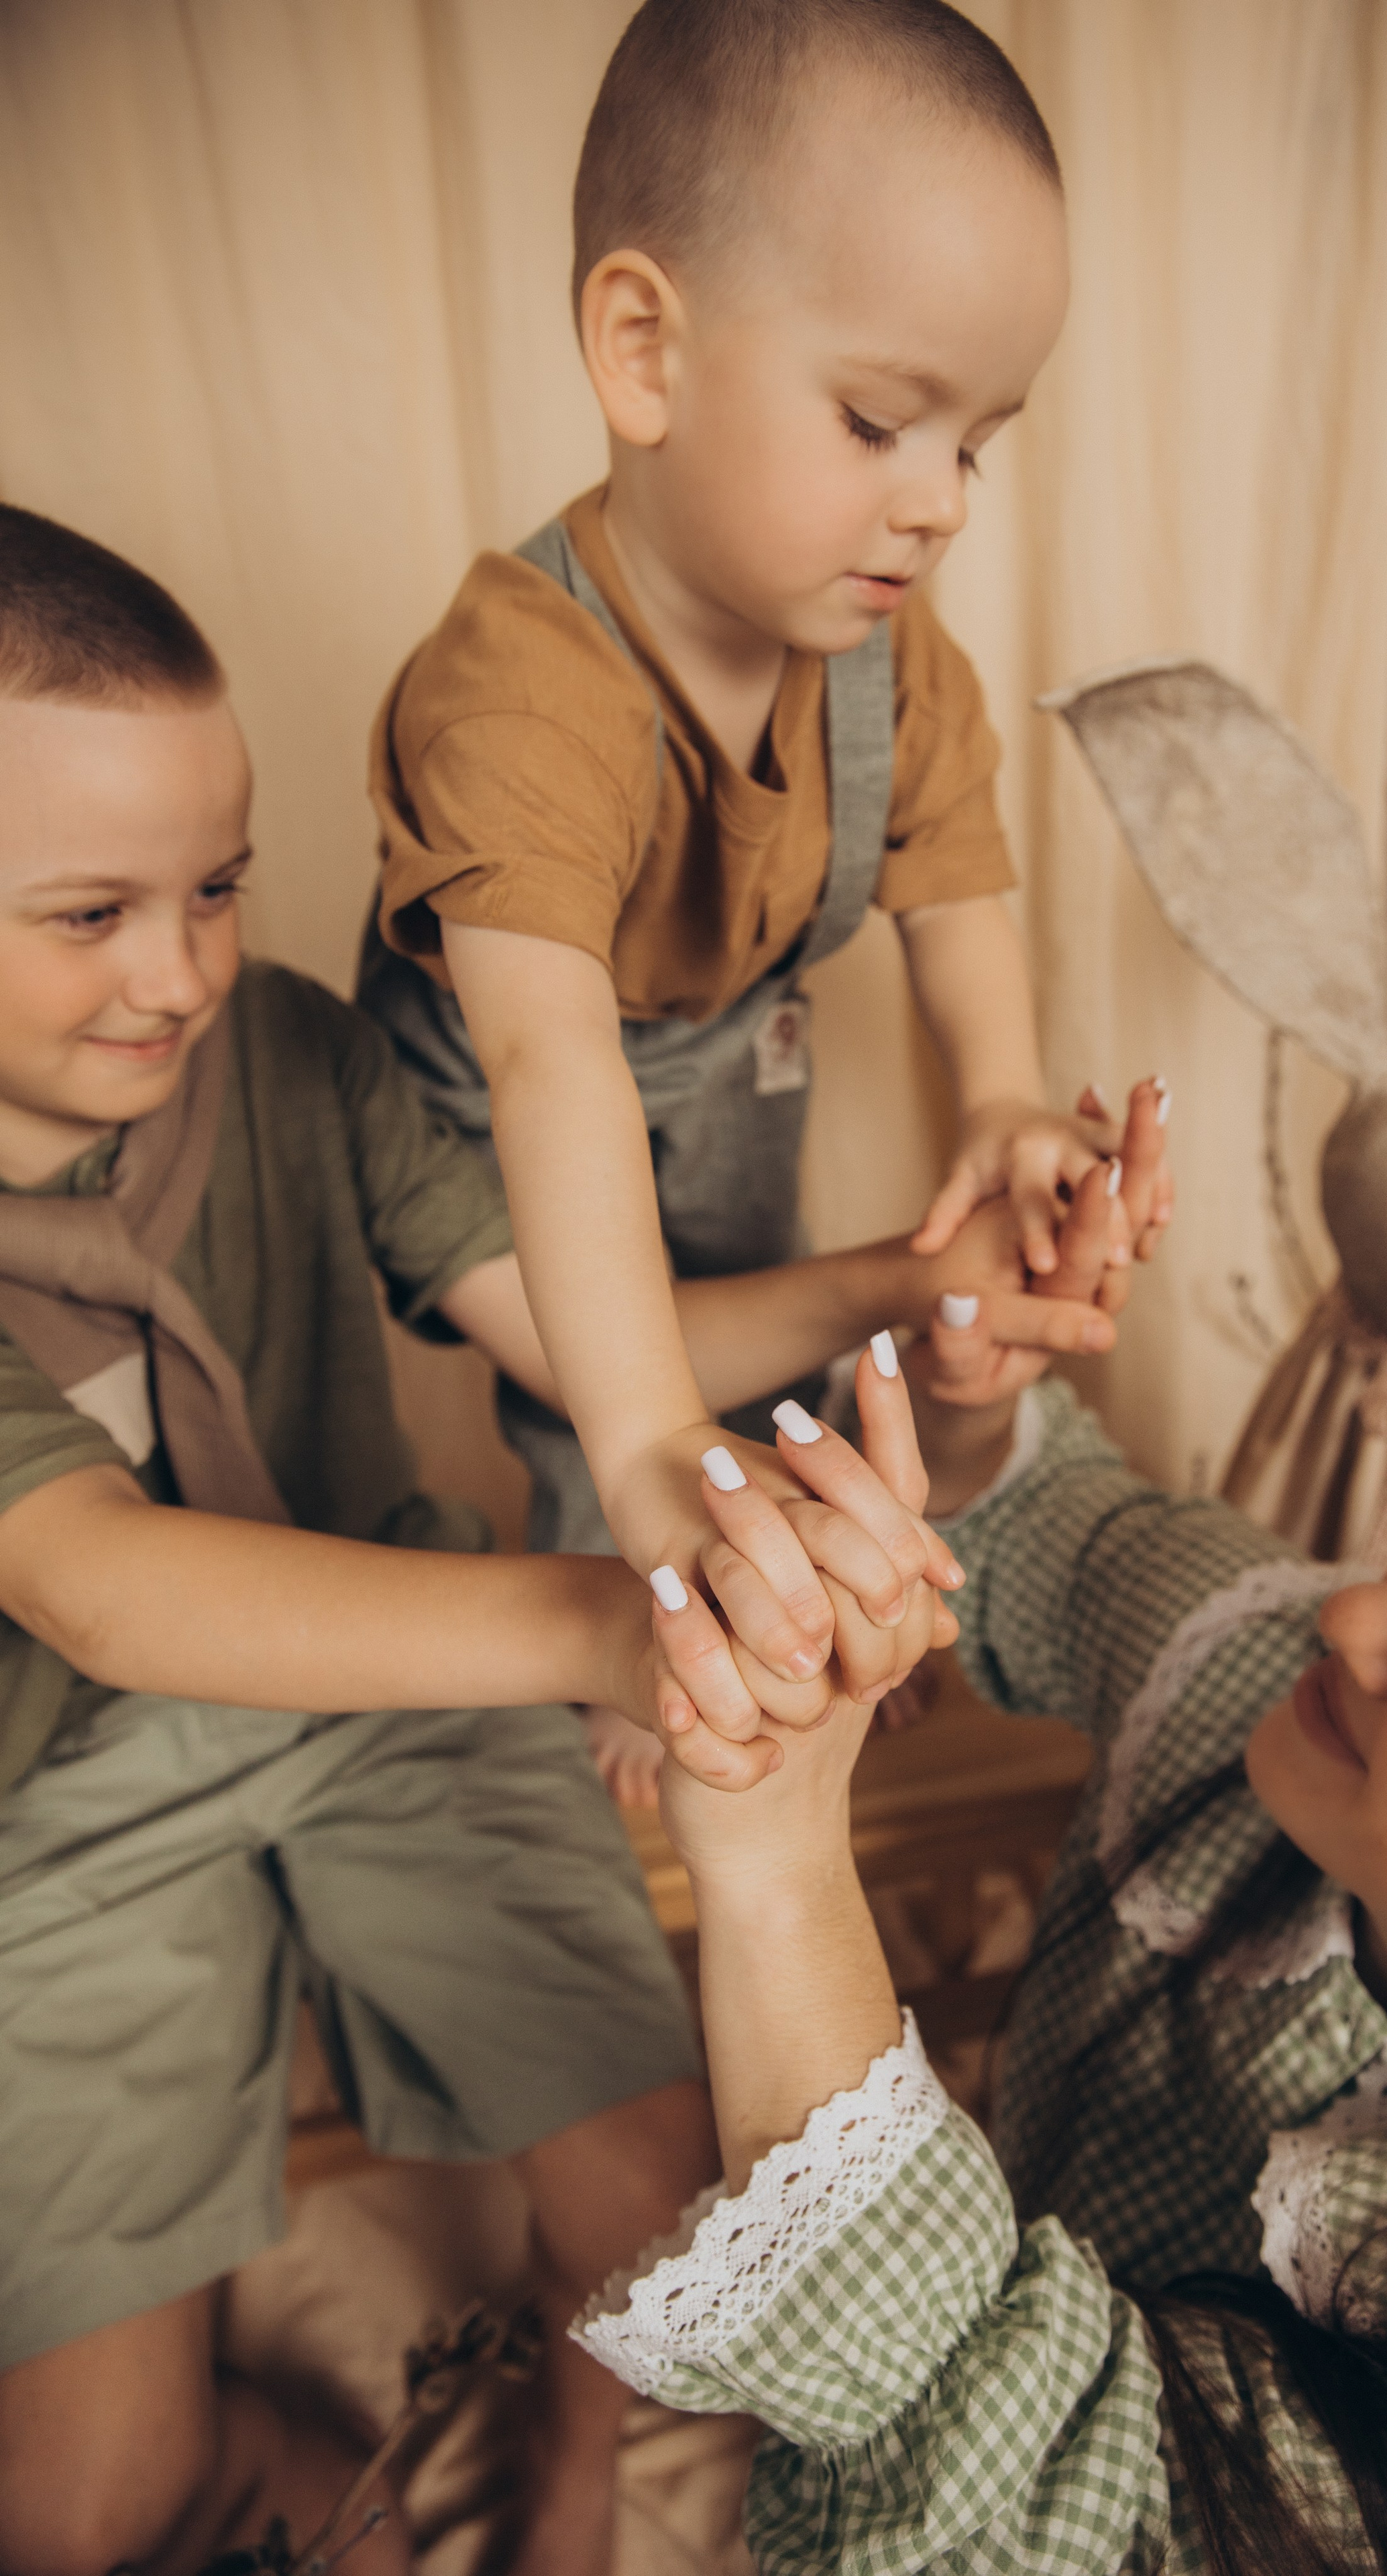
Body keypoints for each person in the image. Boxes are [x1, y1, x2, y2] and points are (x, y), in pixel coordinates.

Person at [0, 505, 1125, 2576]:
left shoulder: (294, 1056)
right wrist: (621, 1627)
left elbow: (586, 1323)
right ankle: (272, 2446)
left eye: (219, 887)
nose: (180, 971)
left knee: (674, 2236)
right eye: (91, 914)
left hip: (411, 1700)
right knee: (74, 2519)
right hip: (62, 1789)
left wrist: (913, 1279)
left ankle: (570, 2464)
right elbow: (101, 1585)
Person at [576, 1164, 1387, 2569]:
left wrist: (778, 1873)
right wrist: (976, 1401)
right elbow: (1069, 1527)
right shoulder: (1258, 1662)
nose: (1358, 1616)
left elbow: (1016, 2504)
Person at [362, 0, 1173, 1790]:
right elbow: (550, 1074)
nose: (938, 504)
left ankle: (782, 1573)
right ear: (643, 350)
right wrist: (653, 1454)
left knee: (758, 1298)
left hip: (727, 1049)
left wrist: (1004, 1098)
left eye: (975, 443)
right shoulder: (519, 695)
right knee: (604, 1373)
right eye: (879, 421)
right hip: (489, 1104)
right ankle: (630, 1623)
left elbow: (956, 894)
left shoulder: (886, 658)